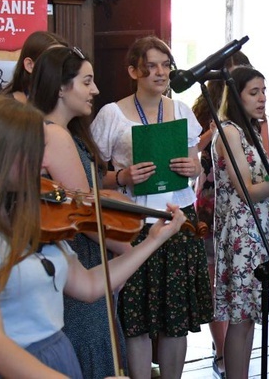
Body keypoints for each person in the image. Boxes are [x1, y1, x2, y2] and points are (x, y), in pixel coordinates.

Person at [0, 96, 187, 378]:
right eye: (33, 150)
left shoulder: (36, 219)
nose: (43, 160)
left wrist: (153, 240)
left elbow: (89, 285)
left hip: (58, 356)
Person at [91, 35, 212, 379]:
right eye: (151, 66)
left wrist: (195, 167)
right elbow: (92, 176)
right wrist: (122, 176)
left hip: (178, 219)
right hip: (133, 222)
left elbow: (196, 164)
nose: (161, 73)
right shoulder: (112, 114)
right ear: (133, 71)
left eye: (166, 65)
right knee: (137, 318)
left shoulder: (182, 109)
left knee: (176, 319)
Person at [29, 45, 129, 379]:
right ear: (60, 86)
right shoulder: (54, 134)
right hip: (81, 256)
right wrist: (129, 250)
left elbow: (76, 198)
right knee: (92, 348)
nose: (95, 90)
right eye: (86, 82)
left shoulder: (57, 130)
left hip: (70, 257)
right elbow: (82, 215)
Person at [211, 66, 269, 379]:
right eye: (254, 92)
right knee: (240, 318)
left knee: (249, 316)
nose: (262, 98)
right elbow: (247, 189)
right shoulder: (229, 131)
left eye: (264, 91)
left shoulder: (250, 131)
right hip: (240, 233)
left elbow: (263, 180)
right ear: (236, 97)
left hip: (256, 230)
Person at [191, 50, 250, 379]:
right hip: (209, 200)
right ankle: (220, 346)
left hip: (239, 203)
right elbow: (191, 151)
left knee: (234, 279)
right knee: (214, 278)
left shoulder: (246, 109)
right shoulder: (202, 105)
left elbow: (261, 155)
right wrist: (209, 135)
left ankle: (235, 347)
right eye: (228, 70)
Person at [3, 30, 69, 103]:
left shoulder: (68, 104)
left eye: (65, 63)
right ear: (30, 65)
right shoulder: (4, 107)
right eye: (52, 62)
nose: (62, 69)